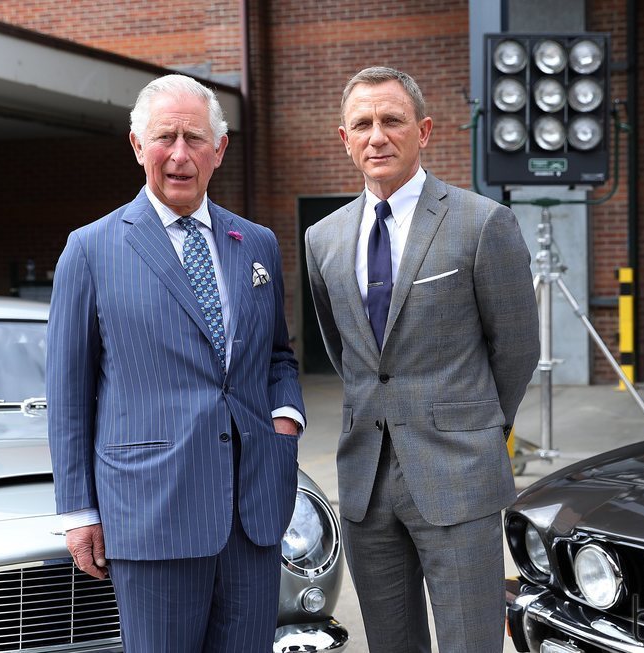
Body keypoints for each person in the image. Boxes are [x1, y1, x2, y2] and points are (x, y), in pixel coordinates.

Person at [47, 74, 305, 653]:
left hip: (252, 513)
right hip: (152, 514)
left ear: (220, 148)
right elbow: (68, 392)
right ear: (138, 146)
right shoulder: (89, 249)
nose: (180, 154)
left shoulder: (256, 242)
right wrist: (78, 510)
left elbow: (278, 356)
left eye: (195, 137)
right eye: (166, 137)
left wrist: (283, 423)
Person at [305, 66, 539, 652]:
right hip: (364, 482)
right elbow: (347, 351)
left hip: (458, 475)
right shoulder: (323, 239)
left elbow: (516, 346)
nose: (376, 136)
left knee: (470, 643)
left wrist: (479, 426)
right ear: (344, 138)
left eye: (391, 120)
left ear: (424, 130)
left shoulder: (481, 222)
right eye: (362, 124)